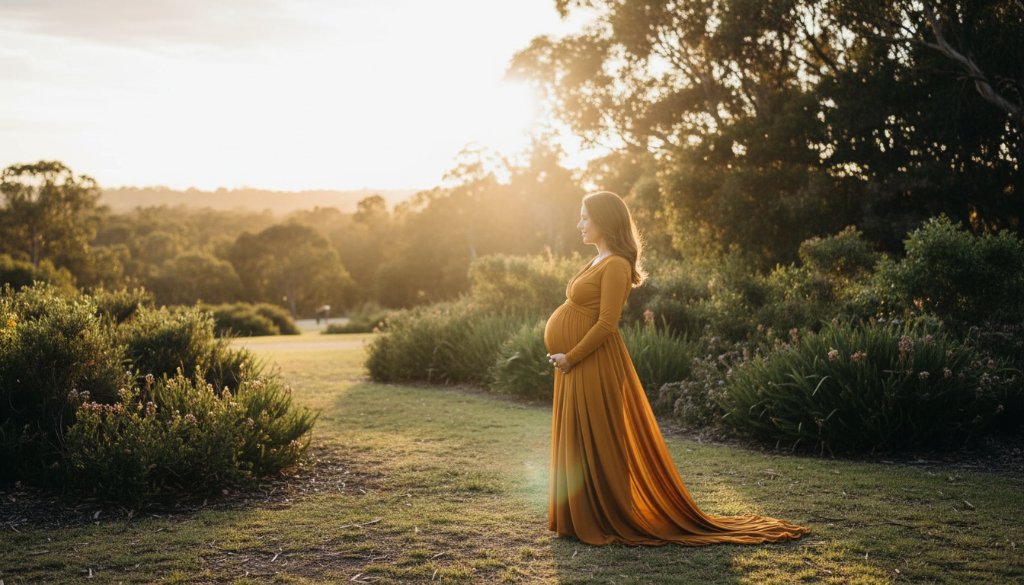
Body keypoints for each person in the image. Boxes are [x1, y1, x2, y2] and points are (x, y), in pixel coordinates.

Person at [543, 190, 812, 546]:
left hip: (591, 362)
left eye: (584, 218)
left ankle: (604, 515)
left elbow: (607, 324)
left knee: (599, 438)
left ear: (605, 222)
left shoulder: (617, 265)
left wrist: (571, 356)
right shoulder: (597, 260)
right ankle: (578, 517)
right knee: (579, 437)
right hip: (574, 363)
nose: (579, 224)